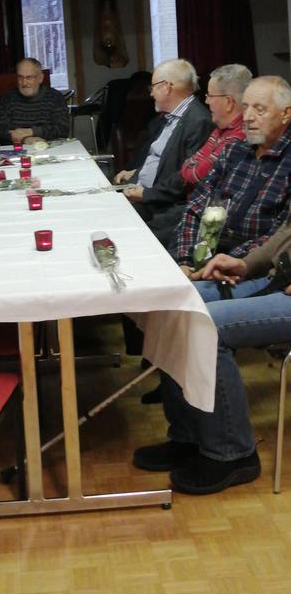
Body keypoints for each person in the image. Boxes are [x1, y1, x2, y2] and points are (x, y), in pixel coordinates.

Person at [133, 209, 291, 495]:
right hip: (278, 278)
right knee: (176, 302)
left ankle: (233, 453)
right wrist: (245, 264)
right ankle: (188, 436)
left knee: (208, 326)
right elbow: (287, 231)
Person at [171, 75, 291, 270]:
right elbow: (195, 208)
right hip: (205, 253)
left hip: (248, 265)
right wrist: (186, 260)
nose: (247, 117)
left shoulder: (287, 163)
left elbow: (278, 236)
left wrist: (220, 264)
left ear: (286, 114)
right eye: (245, 107)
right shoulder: (234, 151)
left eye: (259, 109)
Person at [114, 59, 213, 226]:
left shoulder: (198, 121)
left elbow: (185, 177)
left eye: (152, 87)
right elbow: (161, 158)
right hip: (141, 192)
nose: (151, 94)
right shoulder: (171, 116)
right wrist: (136, 172)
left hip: (159, 205)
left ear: (166, 87)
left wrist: (145, 194)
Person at [0, 58, 70, 145]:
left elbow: (63, 129)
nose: (24, 83)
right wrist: (24, 139)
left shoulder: (55, 97)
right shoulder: (7, 98)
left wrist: (32, 131)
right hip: (17, 149)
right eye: (20, 77)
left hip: (50, 148)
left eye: (29, 77)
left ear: (40, 78)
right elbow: (0, 130)